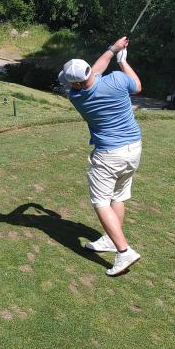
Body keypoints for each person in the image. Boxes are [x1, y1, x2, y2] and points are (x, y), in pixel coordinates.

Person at [58, 36, 143, 276]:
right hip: (133, 148)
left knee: (101, 202)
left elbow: (92, 74)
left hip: (108, 154)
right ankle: (109, 239)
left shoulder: (76, 96)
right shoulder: (117, 79)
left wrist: (112, 50)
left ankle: (124, 251)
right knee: (118, 196)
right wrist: (121, 59)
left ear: (75, 83)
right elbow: (137, 86)